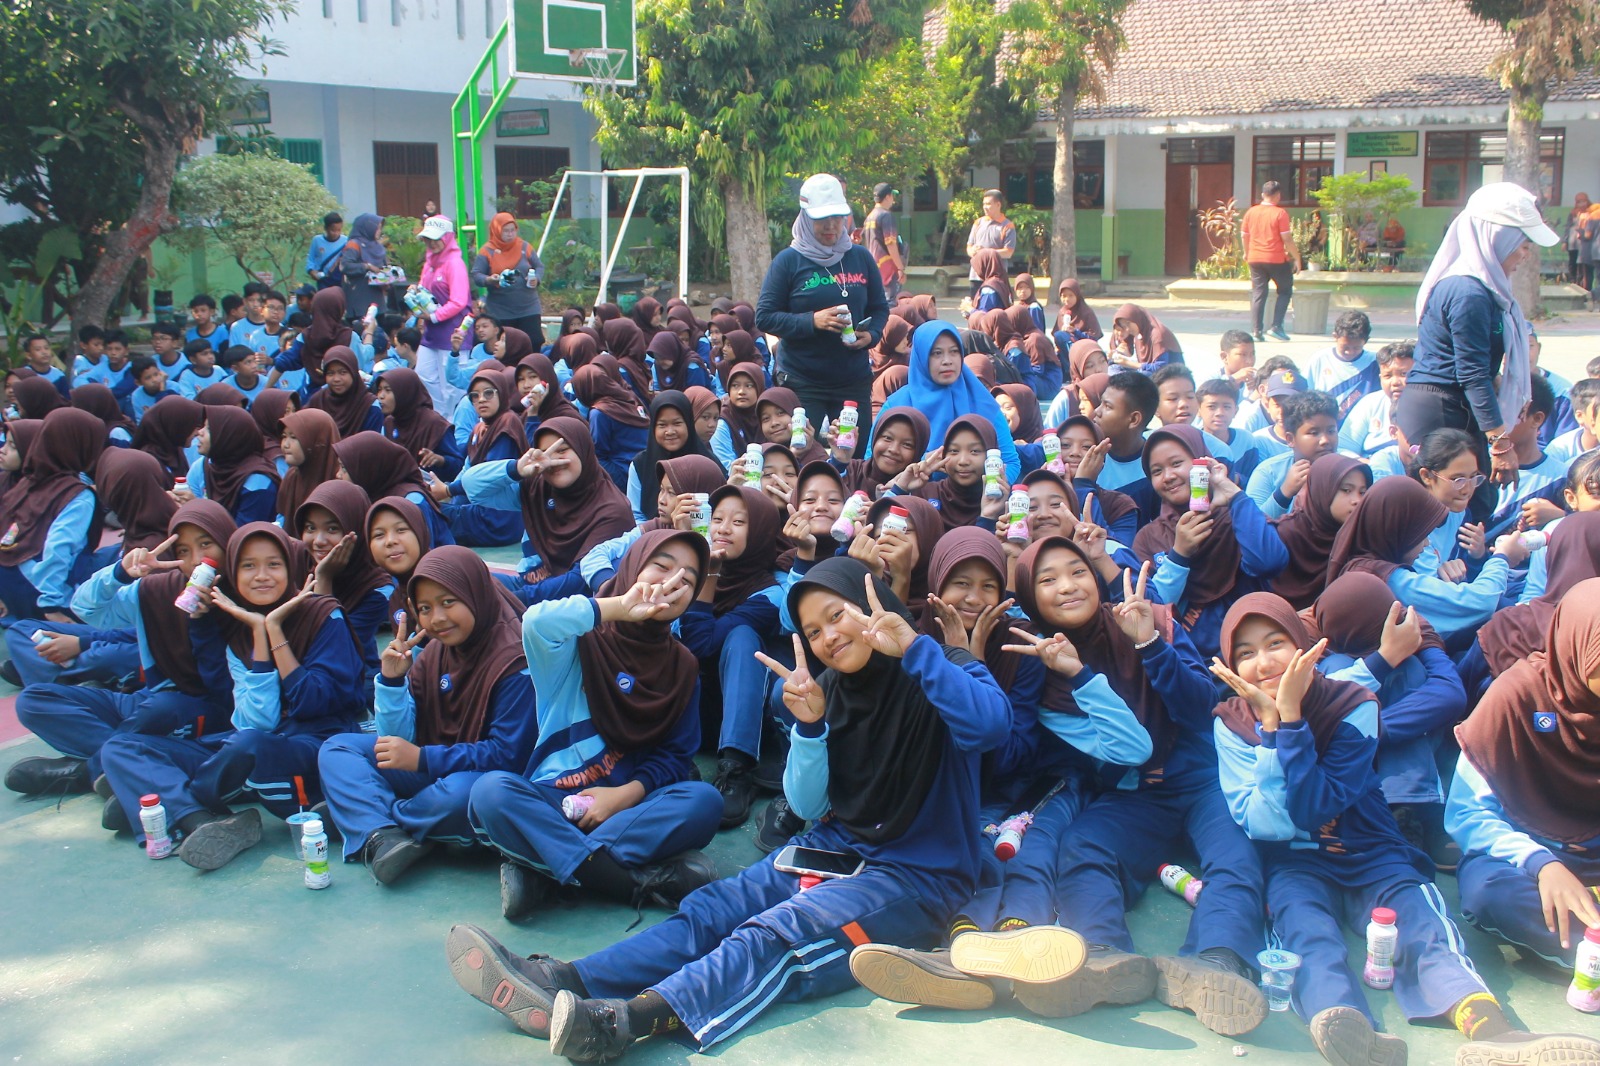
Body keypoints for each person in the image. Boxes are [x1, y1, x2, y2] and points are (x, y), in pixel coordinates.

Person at [447, 555, 1012, 1057]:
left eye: (837, 615)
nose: (828, 638)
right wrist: (811, 729)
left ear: (875, 603)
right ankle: (568, 978)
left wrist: (914, 648)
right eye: (813, 631)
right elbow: (809, 802)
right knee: (715, 907)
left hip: (917, 878)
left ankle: (634, 1018)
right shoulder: (834, 691)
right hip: (838, 847)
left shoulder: (948, 669)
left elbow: (990, 726)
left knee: (778, 933)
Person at [1209, 594, 1581, 1066]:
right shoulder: (1231, 723)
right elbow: (1268, 824)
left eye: (1275, 643)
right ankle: (1346, 1027)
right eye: (1245, 652)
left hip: (1372, 852)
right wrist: (1269, 730)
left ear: (1305, 645)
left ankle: (1495, 1032)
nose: (1262, 663)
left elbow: (1316, 803)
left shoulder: (1354, 703)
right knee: (1307, 936)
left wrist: (1290, 722)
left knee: (1424, 928)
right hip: (1296, 861)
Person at [461, 529, 724, 922]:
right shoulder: (577, 641)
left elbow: (673, 757)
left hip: (627, 808)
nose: (672, 584)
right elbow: (536, 622)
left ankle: (545, 872)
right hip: (555, 802)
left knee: (705, 801)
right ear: (633, 566)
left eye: (687, 580)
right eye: (661, 567)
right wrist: (618, 606)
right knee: (490, 794)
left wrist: (621, 797)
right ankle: (630, 883)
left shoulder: (682, 665)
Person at [99, 523, 365, 870]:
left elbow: (312, 701)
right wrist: (251, 631)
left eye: (274, 564)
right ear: (233, 573)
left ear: (292, 567)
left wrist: (271, 631)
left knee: (250, 745)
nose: (261, 576)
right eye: (248, 566)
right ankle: (199, 821)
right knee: (120, 747)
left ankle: (170, 798)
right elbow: (248, 714)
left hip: (309, 745)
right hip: (243, 747)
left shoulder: (323, 615)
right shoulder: (231, 624)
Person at [317, 545, 536, 884]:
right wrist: (392, 679)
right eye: (424, 608)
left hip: (485, 780)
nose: (437, 618)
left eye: (449, 602)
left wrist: (422, 759)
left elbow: (507, 756)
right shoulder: (436, 652)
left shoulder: (514, 659)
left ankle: (370, 816)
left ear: (475, 593)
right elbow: (397, 740)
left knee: (466, 796)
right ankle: (381, 834)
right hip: (432, 765)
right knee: (338, 749)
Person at [4, 501, 237, 805]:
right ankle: (127, 760)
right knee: (34, 701)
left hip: (205, 711)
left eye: (206, 545)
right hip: (149, 699)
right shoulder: (157, 589)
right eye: (182, 551)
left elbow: (225, 690)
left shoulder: (241, 594)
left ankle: (87, 771)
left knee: (160, 707)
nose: (195, 561)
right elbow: (85, 608)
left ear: (227, 542)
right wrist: (120, 572)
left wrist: (204, 622)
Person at [1450, 579, 1600, 978]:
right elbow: (1467, 814)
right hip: (1526, 855)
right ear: (1577, 646)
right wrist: (1543, 864)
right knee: (1489, 894)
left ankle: (1587, 947)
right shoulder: (1518, 695)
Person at [1395, 182, 1560, 524]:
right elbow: (1471, 372)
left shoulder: (1485, 289)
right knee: (1453, 510)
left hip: (1459, 406)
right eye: (1522, 244)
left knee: (1475, 506)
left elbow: (1482, 368)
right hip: (1442, 409)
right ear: (1497, 238)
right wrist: (1501, 444)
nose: (1524, 255)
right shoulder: (1467, 291)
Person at [756, 173, 889, 440]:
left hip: (852, 380)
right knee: (804, 456)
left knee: (854, 457)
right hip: (803, 382)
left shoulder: (860, 257)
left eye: (836, 218)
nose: (830, 226)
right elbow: (765, 317)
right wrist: (811, 321)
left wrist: (871, 334)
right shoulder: (788, 262)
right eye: (821, 220)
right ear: (806, 218)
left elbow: (879, 308)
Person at [872, 321, 1020, 480]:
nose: (947, 361)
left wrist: (987, 489)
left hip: (969, 500)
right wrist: (919, 468)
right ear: (921, 357)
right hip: (908, 498)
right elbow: (871, 459)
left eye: (954, 352)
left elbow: (1010, 462)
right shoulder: (898, 404)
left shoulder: (983, 403)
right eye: (937, 353)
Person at [0, 408, 105, 620]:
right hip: (42, 598)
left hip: (10, 588)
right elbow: (58, 550)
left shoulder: (26, 482)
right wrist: (51, 606)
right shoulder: (77, 495)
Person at [295, 480, 395, 698]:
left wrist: (324, 578)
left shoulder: (377, 590)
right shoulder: (297, 559)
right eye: (310, 528)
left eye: (332, 528)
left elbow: (330, 651)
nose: (319, 541)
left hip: (350, 671)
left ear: (356, 530)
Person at [432, 366, 527, 547]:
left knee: (428, 515)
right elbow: (466, 468)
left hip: (498, 520)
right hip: (479, 511)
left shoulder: (507, 424)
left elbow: (489, 479)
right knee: (431, 510)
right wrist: (452, 503)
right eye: (474, 396)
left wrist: (447, 491)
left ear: (501, 394)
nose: (481, 400)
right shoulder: (480, 428)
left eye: (488, 393)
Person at [1268, 454, 1372, 610]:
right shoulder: (1286, 534)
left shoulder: (1359, 538)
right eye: (1346, 490)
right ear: (1322, 490)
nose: (1356, 500)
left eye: (1362, 493)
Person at [332, 432, 454, 550]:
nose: (338, 475)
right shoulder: (370, 495)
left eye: (344, 468)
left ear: (368, 468)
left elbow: (422, 557)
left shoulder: (411, 501)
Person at [413, 215, 473, 410]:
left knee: (452, 385)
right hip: (431, 332)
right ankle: (438, 416)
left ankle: (454, 424)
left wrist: (433, 316)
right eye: (428, 239)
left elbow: (458, 300)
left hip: (453, 331)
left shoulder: (455, 263)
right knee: (424, 375)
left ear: (448, 237)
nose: (432, 243)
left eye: (437, 238)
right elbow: (423, 288)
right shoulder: (430, 263)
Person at [188, 405, 281, 525]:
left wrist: (197, 508)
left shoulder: (258, 481)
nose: (199, 432)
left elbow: (242, 536)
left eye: (209, 429)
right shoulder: (207, 465)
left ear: (229, 437)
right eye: (203, 426)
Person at [376, 367, 463, 481]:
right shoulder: (389, 422)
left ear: (404, 392)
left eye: (388, 390)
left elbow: (459, 467)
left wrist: (440, 460)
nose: (381, 396)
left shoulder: (434, 423)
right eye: (379, 389)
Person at [1241, 180, 1301, 342]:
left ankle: (1256, 331)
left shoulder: (1251, 212)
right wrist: (1297, 258)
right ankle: (1276, 327)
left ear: (1262, 195)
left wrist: (1247, 253)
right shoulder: (1280, 213)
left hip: (1254, 258)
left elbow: (1244, 236)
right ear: (1278, 196)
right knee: (1285, 290)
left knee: (1259, 293)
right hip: (1275, 258)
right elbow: (1287, 239)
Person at [471, 212, 544, 338]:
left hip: (528, 308)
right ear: (497, 231)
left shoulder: (524, 247)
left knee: (533, 342)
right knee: (506, 347)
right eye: (505, 231)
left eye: (512, 230)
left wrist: (536, 278)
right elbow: (476, 275)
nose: (510, 234)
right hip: (500, 311)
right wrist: (489, 279)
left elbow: (539, 266)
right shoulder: (487, 251)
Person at [1305, 310, 1378, 420]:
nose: (1350, 352)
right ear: (1335, 337)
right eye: (1345, 347)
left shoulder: (1375, 362)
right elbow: (1306, 394)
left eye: (1357, 348)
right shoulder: (1320, 359)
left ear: (1366, 341)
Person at [276, 408, 341, 530]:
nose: (285, 444)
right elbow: (281, 520)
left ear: (317, 442)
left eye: (294, 437)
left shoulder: (340, 481)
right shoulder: (291, 478)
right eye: (284, 436)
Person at [965, 189, 1017, 299]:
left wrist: (985, 253)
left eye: (988, 204)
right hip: (976, 275)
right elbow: (969, 246)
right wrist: (973, 251)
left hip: (996, 276)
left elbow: (1008, 252)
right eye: (983, 204)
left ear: (998, 205)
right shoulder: (978, 223)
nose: (985, 207)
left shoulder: (1007, 226)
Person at [340, 213, 390, 318]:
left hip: (377, 299)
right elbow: (345, 266)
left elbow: (384, 266)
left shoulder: (378, 246)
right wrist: (367, 267)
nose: (379, 231)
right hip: (359, 298)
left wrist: (388, 276)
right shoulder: (354, 244)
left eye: (380, 228)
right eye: (377, 228)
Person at [863, 183, 907, 303]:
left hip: (872, 267)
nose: (893, 199)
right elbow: (891, 243)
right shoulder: (886, 216)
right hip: (887, 268)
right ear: (887, 196)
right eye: (892, 195)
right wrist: (900, 268)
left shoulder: (869, 217)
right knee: (889, 303)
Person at [306, 210, 348, 289]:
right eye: (333, 230)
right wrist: (312, 271)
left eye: (339, 230)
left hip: (340, 281)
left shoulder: (346, 241)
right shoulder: (317, 240)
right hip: (323, 281)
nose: (336, 233)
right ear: (325, 228)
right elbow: (310, 259)